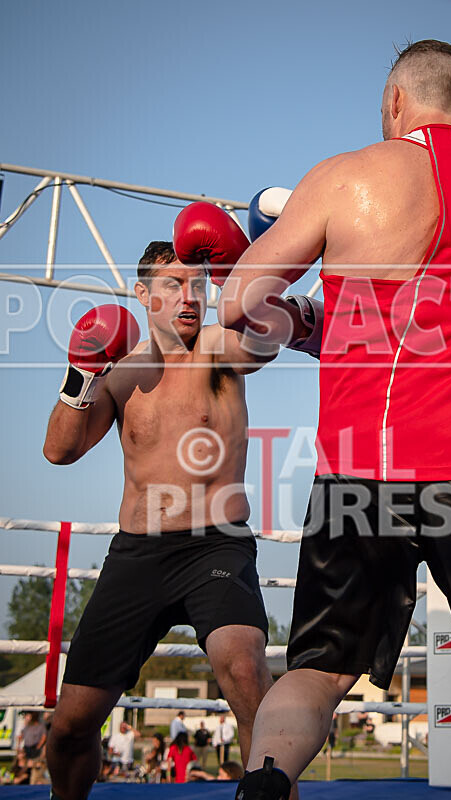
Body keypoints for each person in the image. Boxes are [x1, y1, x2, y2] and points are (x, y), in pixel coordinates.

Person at [219, 39, 451, 800]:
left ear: (397, 100)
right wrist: (326, 322)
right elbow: (441, 310)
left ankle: (268, 782)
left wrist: (298, 301)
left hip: (364, 470)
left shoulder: (348, 175)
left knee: (318, 670)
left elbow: (238, 303)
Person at [43, 222, 316, 800]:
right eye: (173, 284)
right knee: (68, 729)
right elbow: (60, 451)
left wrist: (265, 277)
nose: (190, 296)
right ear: (144, 295)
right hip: (137, 555)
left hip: (216, 544)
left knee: (244, 671)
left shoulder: (222, 346)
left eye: (199, 283)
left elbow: (270, 335)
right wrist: (83, 372)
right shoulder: (121, 373)